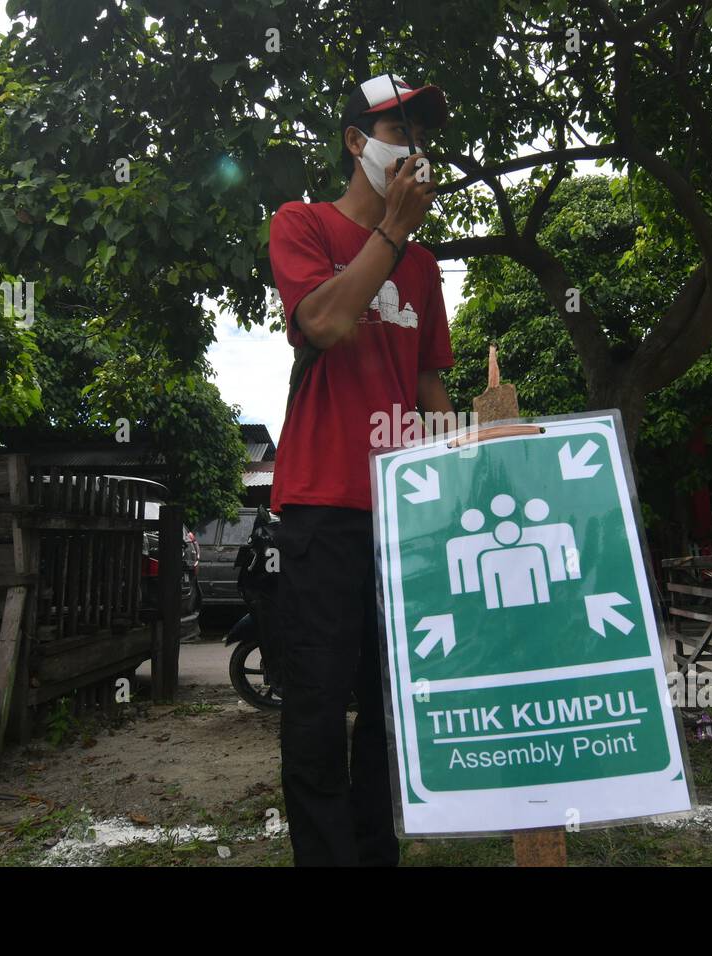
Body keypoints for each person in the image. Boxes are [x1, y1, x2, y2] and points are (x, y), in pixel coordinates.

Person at [266, 73, 456, 866]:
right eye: (396, 127)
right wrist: (393, 234)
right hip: (324, 505)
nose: (413, 144)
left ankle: (378, 854)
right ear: (357, 142)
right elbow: (326, 321)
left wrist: (460, 486)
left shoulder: (424, 269)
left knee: (393, 707)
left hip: (407, 517)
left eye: (421, 130)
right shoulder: (301, 223)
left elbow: (431, 390)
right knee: (315, 699)